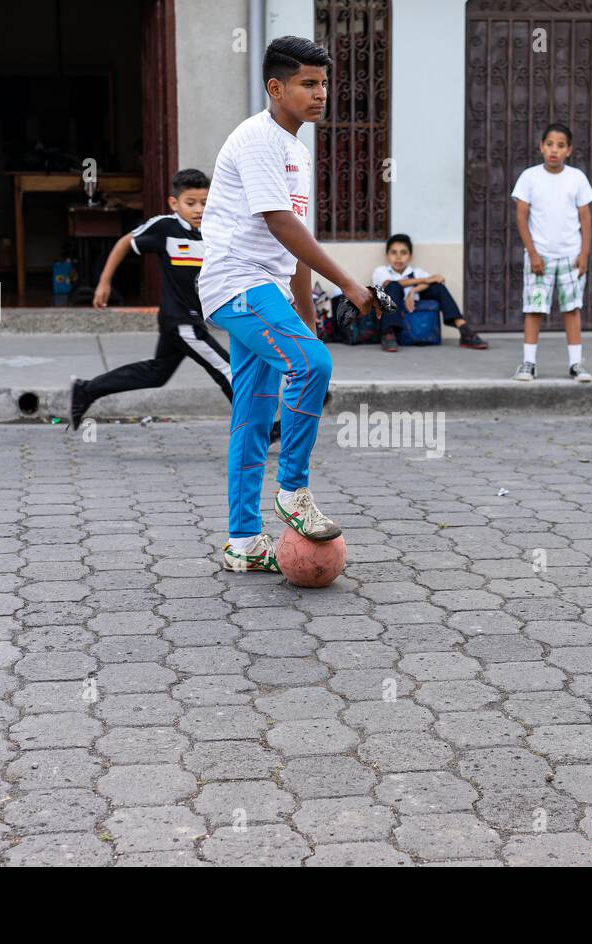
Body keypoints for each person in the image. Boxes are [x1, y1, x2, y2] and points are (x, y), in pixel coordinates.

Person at [198, 35, 379, 574]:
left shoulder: (296, 150)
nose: (321, 93)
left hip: (266, 288)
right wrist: (349, 284)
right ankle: (293, 491)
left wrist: (307, 314)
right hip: (235, 283)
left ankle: (243, 542)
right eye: (308, 83)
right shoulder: (256, 139)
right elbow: (279, 223)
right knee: (312, 365)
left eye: (324, 83)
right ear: (275, 87)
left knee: (251, 416)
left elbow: (292, 237)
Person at [69, 169, 239, 431]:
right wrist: (104, 283)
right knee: (228, 370)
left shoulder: (212, 231)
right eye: (190, 203)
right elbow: (125, 242)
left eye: (204, 203)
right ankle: (259, 430)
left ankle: (86, 390)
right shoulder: (165, 228)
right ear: (174, 203)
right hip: (182, 323)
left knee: (157, 373)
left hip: (189, 320)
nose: (198, 210)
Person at [510, 122, 592, 383]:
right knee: (534, 308)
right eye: (549, 144)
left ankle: (576, 364)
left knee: (572, 309)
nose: (554, 150)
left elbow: (586, 219)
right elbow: (521, 217)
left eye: (560, 146)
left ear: (568, 150)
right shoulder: (530, 177)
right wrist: (533, 254)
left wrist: (584, 255)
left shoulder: (577, 178)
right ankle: (528, 363)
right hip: (540, 258)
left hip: (570, 257)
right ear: (541, 146)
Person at [372, 234, 487, 351]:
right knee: (393, 286)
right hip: (390, 313)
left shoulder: (416, 272)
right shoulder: (381, 271)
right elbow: (389, 284)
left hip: (414, 307)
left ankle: (463, 329)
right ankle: (388, 335)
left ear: (410, 256)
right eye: (394, 253)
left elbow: (437, 279)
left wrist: (413, 290)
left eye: (403, 253)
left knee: (437, 287)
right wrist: (424, 280)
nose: (398, 257)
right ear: (387, 256)